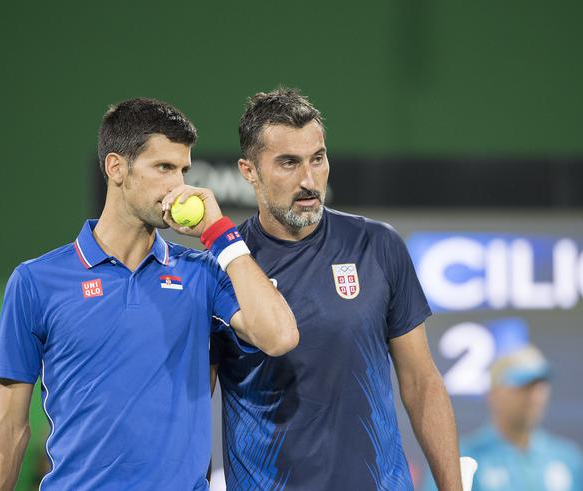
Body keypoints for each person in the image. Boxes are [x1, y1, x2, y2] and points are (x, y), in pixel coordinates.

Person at [0, 98, 299, 491]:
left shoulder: (202, 274)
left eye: (183, 170)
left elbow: (279, 336)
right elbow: (8, 427)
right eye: (163, 167)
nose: (178, 186)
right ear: (116, 168)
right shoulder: (35, 281)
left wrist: (222, 237)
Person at [210, 87, 462, 490]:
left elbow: (421, 383)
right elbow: (192, 410)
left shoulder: (378, 245)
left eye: (318, 159)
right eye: (288, 163)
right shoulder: (220, 270)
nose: (309, 180)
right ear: (249, 171)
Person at [424, 344, 583, 491]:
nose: (534, 396)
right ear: (493, 394)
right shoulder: (462, 460)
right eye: (523, 385)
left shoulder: (569, 458)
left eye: (540, 386)